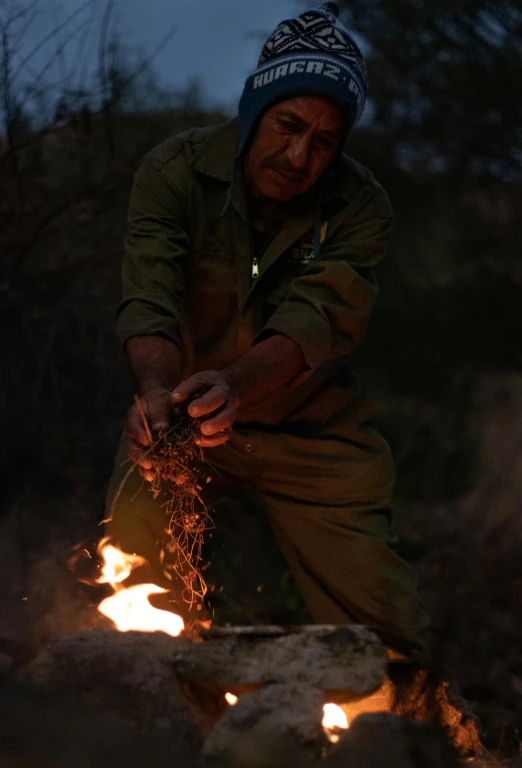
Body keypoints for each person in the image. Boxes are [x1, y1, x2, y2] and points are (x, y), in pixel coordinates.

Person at [105, 2, 430, 654]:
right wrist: (156, 394)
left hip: (312, 431)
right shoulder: (173, 173)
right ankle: (146, 723)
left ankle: (407, 737)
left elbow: (316, 319)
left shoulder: (360, 206)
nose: (299, 153)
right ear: (255, 109)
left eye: (325, 141)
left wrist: (234, 383)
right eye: (287, 125)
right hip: (178, 419)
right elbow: (150, 299)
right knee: (132, 588)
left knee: (387, 633)